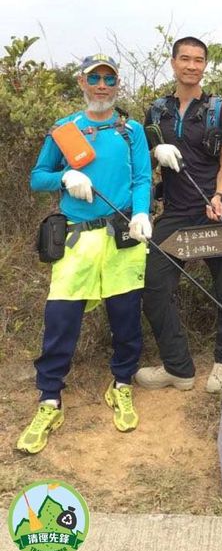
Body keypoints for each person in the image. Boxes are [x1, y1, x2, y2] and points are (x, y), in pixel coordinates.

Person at [17, 54, 152, 454]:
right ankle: (49, 400)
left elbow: (142, 176)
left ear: (117, 84)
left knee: (126, 315)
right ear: (81, 81)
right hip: (76, 240)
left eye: (109, 79)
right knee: (61, 318)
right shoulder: (64, 130)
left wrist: (142, 211)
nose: (102, 85)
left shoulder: (131, 131)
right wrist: (65, 175)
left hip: (123, 237)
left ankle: (122, 384)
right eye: (95, 77)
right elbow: (38, 176)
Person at [135, 36, 222, 394]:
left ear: (205, 66)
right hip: (175, 212)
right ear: (173, 62)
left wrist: (218, 195)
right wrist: (156, 152)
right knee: (153, 288)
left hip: (213, 210)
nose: (192, 66)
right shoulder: (155, 111)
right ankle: (177, 366)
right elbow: (141, 157)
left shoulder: (218, 110)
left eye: (199, 60)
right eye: (185, 59)